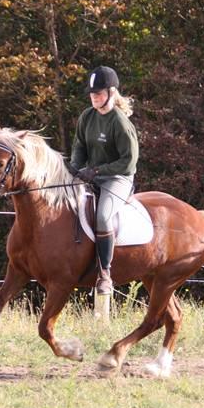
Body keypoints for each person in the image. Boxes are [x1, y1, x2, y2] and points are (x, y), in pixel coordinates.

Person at [70, 66, 139, 296]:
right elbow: (79, 146)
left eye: (98, 93)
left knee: (102, 215)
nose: (93, 97)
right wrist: (75, 168)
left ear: (111, 93)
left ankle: (105, 273)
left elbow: (128, 162)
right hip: (91, 175)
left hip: (117, 178)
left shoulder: (119, 123)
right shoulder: (87, 117)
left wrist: (97, 170)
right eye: (91, 93)